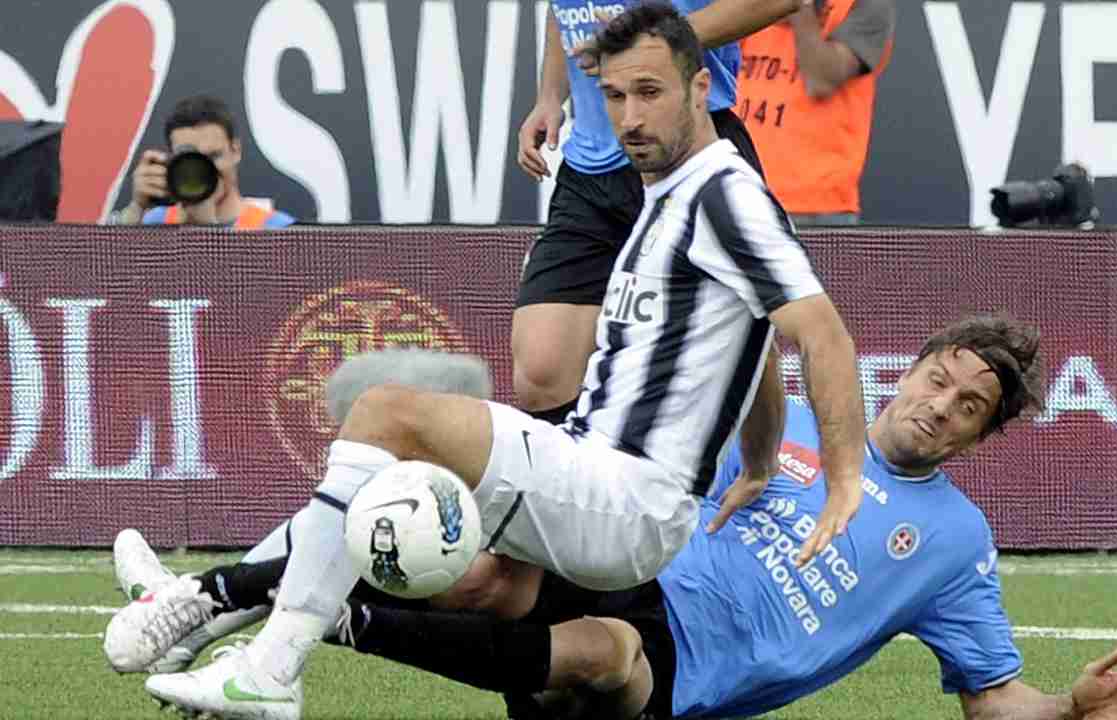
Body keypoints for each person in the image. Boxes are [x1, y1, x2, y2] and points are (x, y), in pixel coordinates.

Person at [109, 7, 866, 719]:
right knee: (404, 502)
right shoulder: (663, 194)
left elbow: (820, 331)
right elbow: (760, 340)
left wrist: (843, 477)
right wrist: (760, 460)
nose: (630, 118)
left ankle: (256, 655)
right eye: (612, 97)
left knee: (388, 415)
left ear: (702, 86)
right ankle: (209, 612)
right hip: (596, 478)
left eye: (648, 93)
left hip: (624, 496)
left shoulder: (725, 191)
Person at [112, 315, 1117, 720]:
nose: (937, 403)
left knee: (600, 652)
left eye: (966, 407)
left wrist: (1070, 710)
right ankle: (212, 599)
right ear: (910, 369)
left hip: (689, 662)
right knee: (474, 557)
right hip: (639, 559)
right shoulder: (788, 414)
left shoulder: (952, 547)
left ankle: (293, 623)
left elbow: (996, 705)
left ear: (974, 439)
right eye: (938, 377)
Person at [513, 0, 800, 424]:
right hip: (589, 169)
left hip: (688, 149)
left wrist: (652, 41)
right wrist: (551, 95)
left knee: (737, 331)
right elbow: (566, 10)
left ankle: (760, 469)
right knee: (541, 372)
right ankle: (583, 482)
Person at [737, 0, 894, 225]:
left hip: (812, 206)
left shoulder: (866, 5)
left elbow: (820, 79)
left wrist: (799, 7)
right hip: (740, 195)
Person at [108, 94, 294, 228]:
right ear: (173, 161)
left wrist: (204, 227)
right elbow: (109, 273)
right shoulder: (155, 223)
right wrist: (136, 208)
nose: (205, 169)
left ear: (235, 151)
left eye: (213, 156)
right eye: (191, 158)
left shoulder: (275, 230)